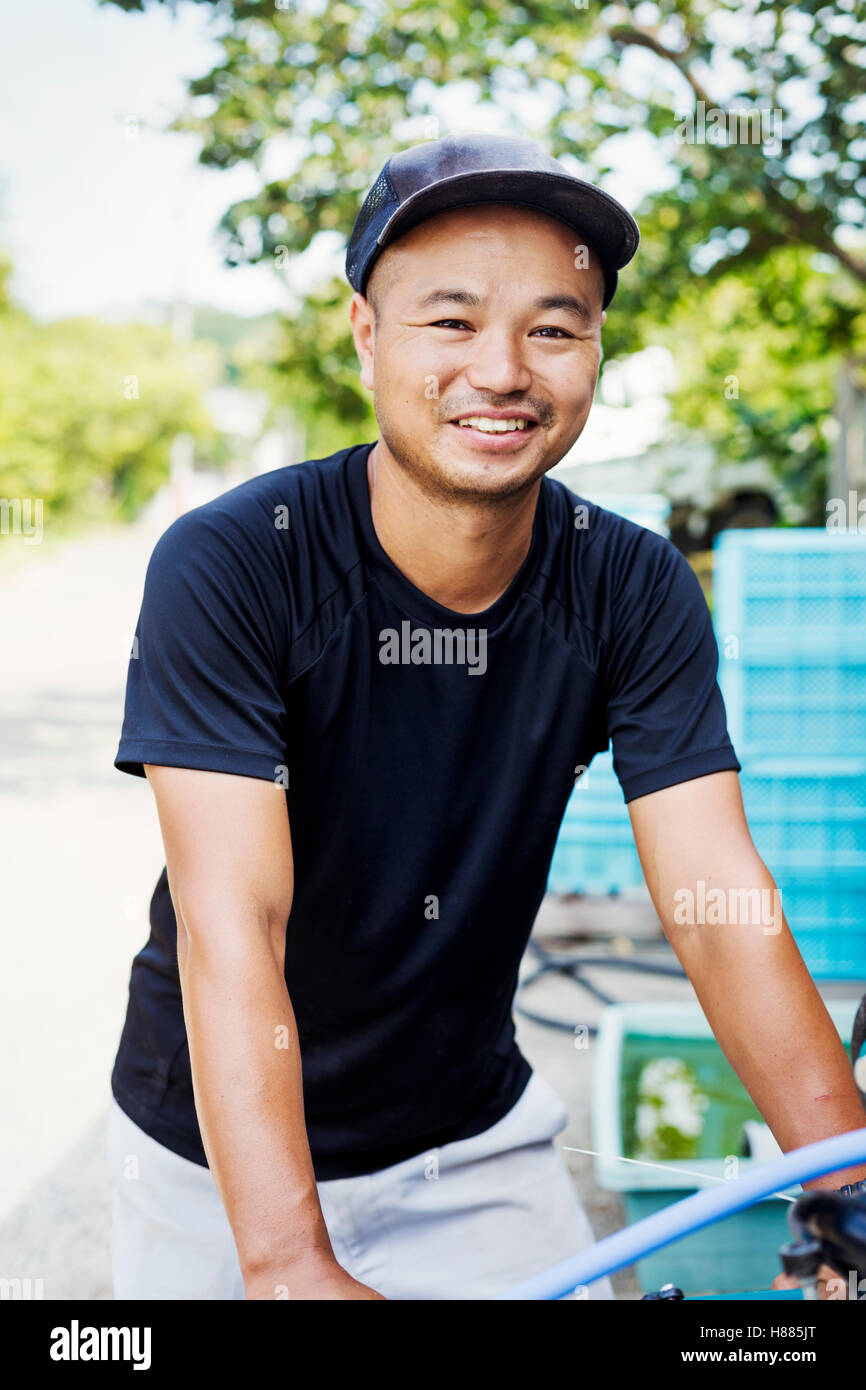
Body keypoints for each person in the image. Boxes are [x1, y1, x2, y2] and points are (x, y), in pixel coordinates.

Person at [108, 133, 866, 1302]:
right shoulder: (232, 563)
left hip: (470, 1142)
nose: (503, 370)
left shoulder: (630, 583)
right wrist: (287, 1265)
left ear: (594, 350)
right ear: (366, 333)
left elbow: (716, 906)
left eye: (553, 327)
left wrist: (842, 1180)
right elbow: (232, 928)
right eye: (450, 321)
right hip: (213, 1156)